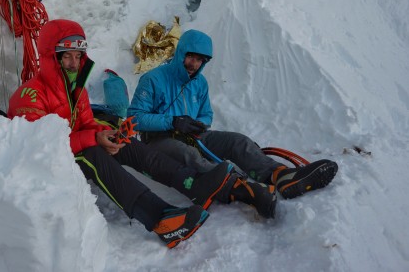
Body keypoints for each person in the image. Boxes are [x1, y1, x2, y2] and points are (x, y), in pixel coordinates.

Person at [8, 19, 259, 248]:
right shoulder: (30, 95)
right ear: (53, 57)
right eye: (67, 57)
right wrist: (94, 139)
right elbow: (40, 144)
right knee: (93, 154)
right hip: (47, 159)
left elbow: (86, 123)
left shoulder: (76, 90)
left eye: (78, 56)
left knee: (123, 141)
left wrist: (106, 132)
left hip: (77, 143)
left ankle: (192, 182)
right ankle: (158, 217)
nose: (74, 64)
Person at [128, 29, 338, 203]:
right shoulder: (153, 79)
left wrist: (201, 124)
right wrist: (172, 121)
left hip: (193, 136)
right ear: (181, 52)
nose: (193, 64)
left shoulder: (200, 83)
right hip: (159, 139)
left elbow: (206, 113)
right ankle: (242, 188)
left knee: (238, 142)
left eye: (199, 60)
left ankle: (280, 176)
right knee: (189, 156)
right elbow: (134, 118)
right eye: (190, 56)